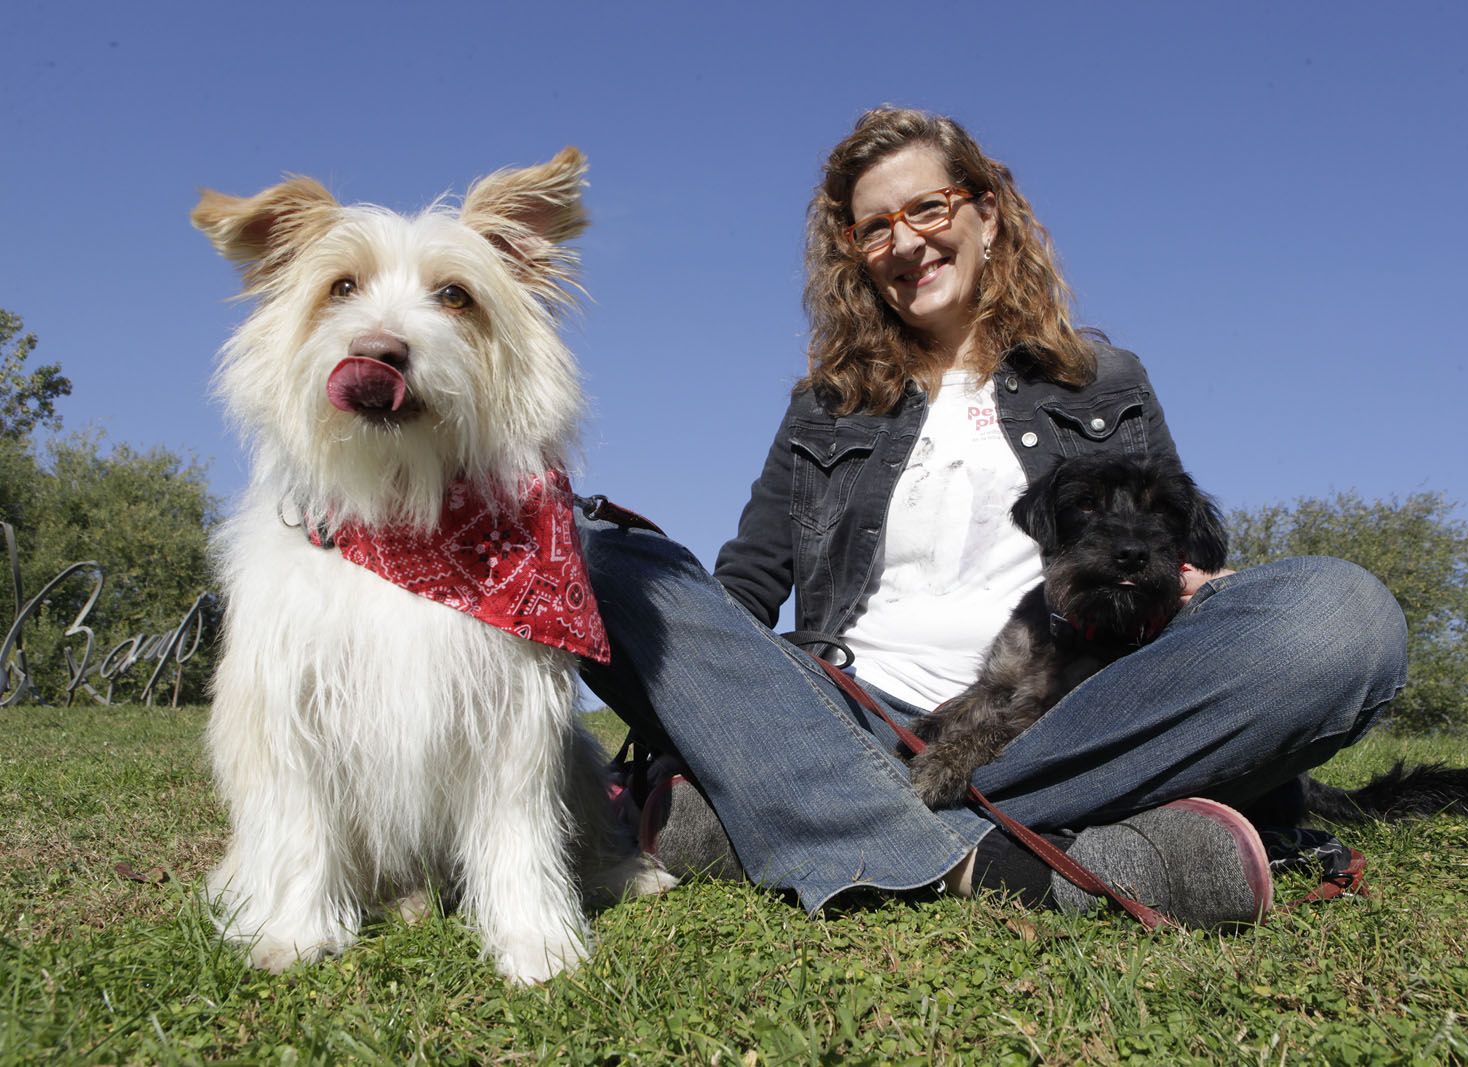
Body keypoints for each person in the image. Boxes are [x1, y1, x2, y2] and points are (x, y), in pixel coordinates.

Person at [577, 107, 1407, 925]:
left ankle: (803, 819)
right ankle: (1009, 856)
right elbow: (745, 587)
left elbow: (1164, 540)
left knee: (1341, 617)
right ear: (856, 256)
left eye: (927, 208)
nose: (904, 243)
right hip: (847, 712)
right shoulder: (824, 407)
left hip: (1067, 712)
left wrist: (1213, 598)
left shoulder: (1103, 379)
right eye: (874, 228)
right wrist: (708, 685)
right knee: (601, 559)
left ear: (986, 211)